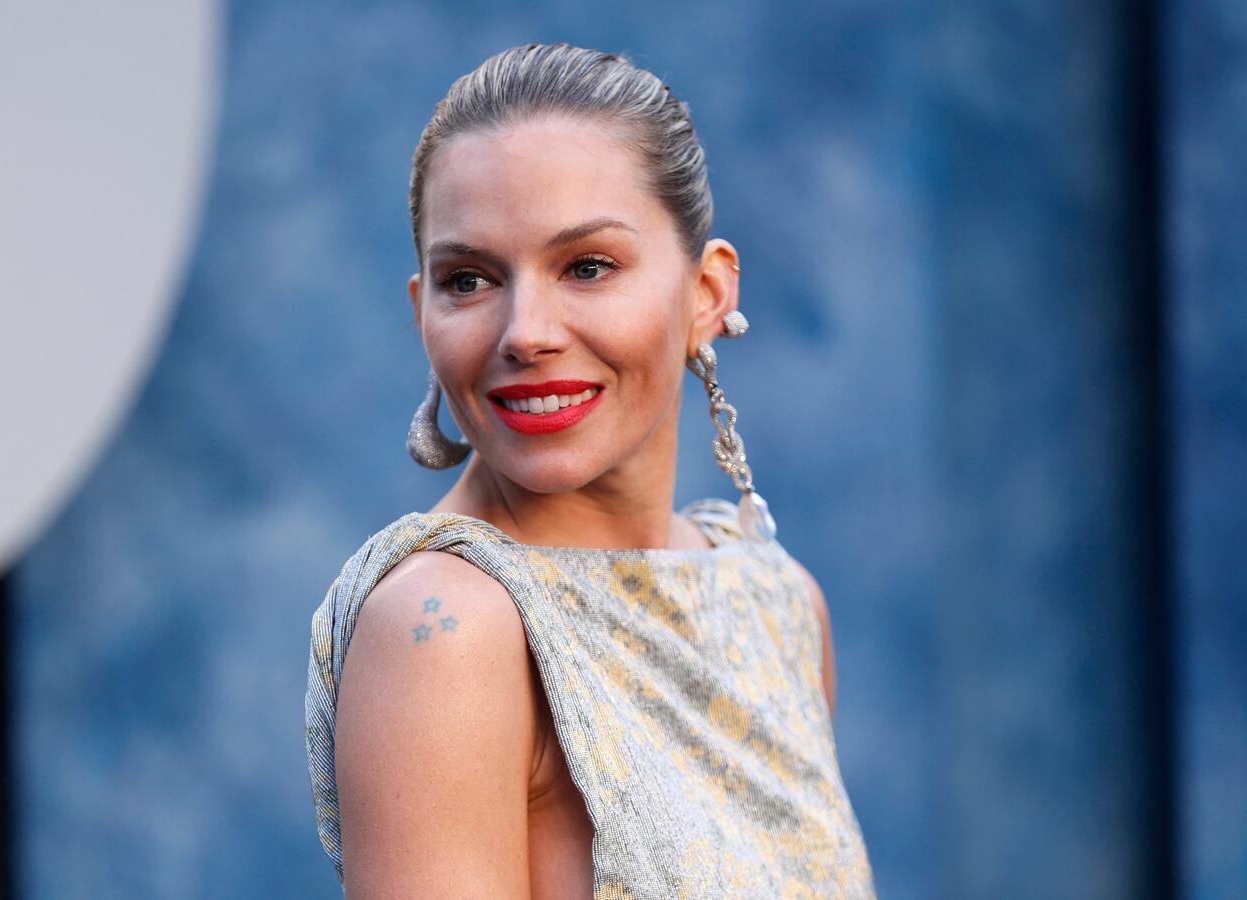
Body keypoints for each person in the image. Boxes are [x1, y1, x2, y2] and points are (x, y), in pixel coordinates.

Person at [305, 43, 875, 898]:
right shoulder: (447, 632)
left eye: (588, 267)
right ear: (424, 312)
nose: (524, 331)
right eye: (470, 279)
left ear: (707, 294)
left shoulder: (781, 604)